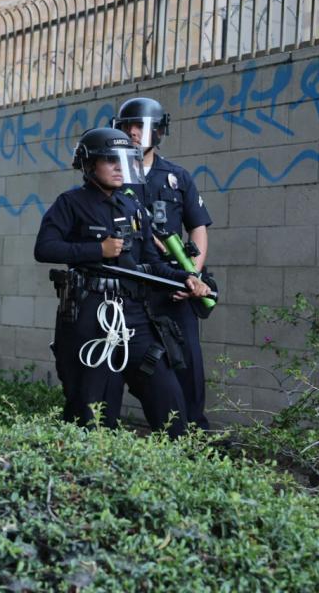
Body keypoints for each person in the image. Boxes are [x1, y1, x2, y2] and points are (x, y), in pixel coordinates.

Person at [34, 128, 211, 437]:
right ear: (89, 165)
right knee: (94, 414)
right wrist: (96, 250)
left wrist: (186, 278)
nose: (119, 167)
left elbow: (152, 264)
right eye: (109, 160)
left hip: (135, 314)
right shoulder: (71, 203)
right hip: (91, 315)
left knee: (169, 399)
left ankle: (179, 469)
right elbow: (44, 248)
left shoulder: (132, 207)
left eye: (124, 161)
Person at [113, 97, 213, 430]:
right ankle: (166, 429)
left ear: (159, 131)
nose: (136, 134)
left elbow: (198, 226)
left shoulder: (176, 177)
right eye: (130, 126)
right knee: (140, 364)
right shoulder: (112, 175)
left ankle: (194, 431)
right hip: (131, 287)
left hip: (172, 287)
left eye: (143, 126)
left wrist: (192, 278)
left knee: (188, 364)